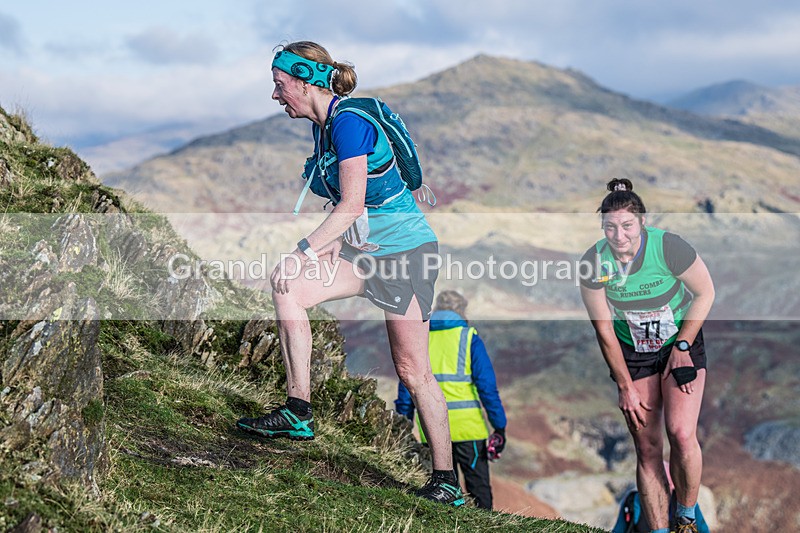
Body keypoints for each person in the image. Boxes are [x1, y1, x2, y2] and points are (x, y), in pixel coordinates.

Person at [236, 41, 464, 506]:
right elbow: (355, 206)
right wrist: (333, 245)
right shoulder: (324, 128)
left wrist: (302, 251)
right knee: (288, 288)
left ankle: (446, 482)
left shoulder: (349, 124)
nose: (276, 96)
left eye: (280, 85)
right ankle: (298, 411)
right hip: (364, 253)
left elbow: (354, 203)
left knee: (412, 370)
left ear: (305, 82)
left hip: (406, 255)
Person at [579, 178, 715, 533]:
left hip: (678, 345)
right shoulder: (595, 262)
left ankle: (685, 518)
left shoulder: (669, 247)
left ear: (642, 222)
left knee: (681, 433)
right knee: (648, 447)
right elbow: (604, 330)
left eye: (627, 226)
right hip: (635, 354)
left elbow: (705, 293)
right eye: (610, 227)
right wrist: (624, 386)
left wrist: (683, 345)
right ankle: (657, 530)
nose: (619, 236)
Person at [395, 290, 507, 510]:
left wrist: (403, 423)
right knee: (479, 490)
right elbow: (487, 388)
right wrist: (499, 426)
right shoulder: (468, 337)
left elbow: (408, 384)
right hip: (468, 429)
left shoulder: (420, 337)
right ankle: (486, 526)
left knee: (442, 490)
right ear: (461, 311)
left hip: (432, 427)